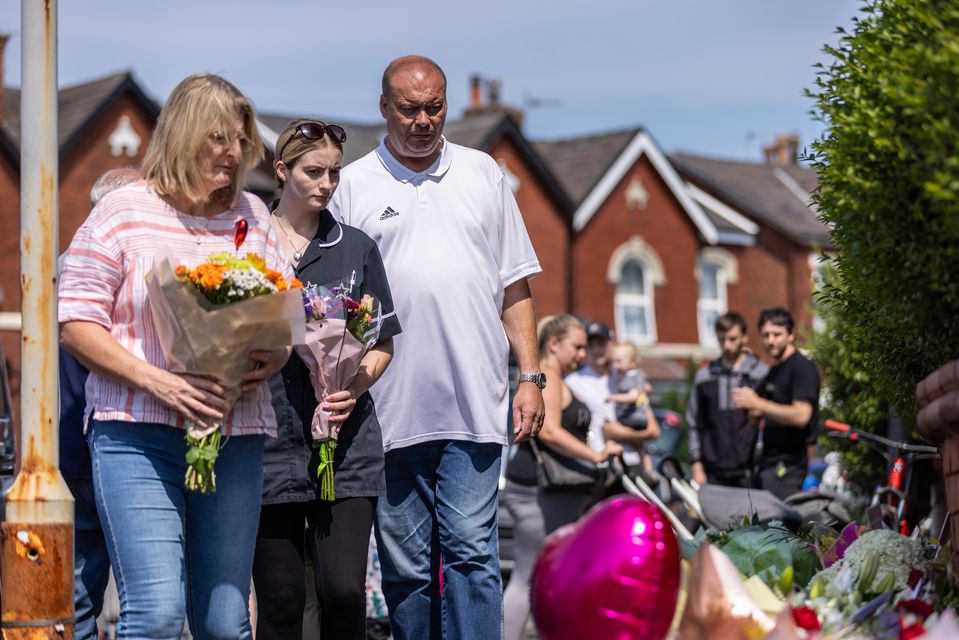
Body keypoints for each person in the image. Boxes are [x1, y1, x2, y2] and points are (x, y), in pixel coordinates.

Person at [58, 74, 287, 639]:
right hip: (136, 434)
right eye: (219, 138)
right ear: (182, 136)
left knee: (223, 622)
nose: (234, 153)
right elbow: (76, 324)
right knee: (157, 613)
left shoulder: (255, 215)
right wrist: (160, 381)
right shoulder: (121, 213)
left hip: (233, 437)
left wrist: (271, 358)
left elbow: (283, 320)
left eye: (240, 139)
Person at [328, 55, 545, 640]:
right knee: (407, 571)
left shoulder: (485, 174)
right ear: (383, 108)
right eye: (409, 109)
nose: (423, 120)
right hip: (386, 411)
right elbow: (330, 300)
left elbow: (515, 284)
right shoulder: (350, 186)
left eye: (435, 107)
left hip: (474, 406)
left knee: (473, 556)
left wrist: (531, 375)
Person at [252, 119, 400, 640]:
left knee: (342, 592)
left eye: (334, 173)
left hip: (347, 442)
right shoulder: (248, 245)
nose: (326, 184)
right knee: (281, 598)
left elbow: (382, 342)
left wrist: (351, 389)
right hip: (267, 442)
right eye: (313, 172)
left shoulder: (355, 247)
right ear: (281, 170)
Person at [501, 315, 622, 640]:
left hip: (550, 495)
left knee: (544, 579)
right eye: (578, 346)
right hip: (538, 492)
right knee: (528, 577)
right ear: (554, 344)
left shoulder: (554, 377)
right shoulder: (548, 377)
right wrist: (595, 455)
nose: (583, 354)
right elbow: (550, 431)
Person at [60, 166, 139, 640]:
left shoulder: (59, 264)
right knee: (142, 595)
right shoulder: (116, 268)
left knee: (77, 599)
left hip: (69, 449)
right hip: (113, 446)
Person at [732, 307, 820, 500]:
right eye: (765, 335)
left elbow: (801, 415)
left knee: (777, 528)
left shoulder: (802, 366)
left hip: (787, 468)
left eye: (776, 334)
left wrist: (759, 403)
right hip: (766, 464)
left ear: (791, 335)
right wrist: (753, 410)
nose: (770, 341)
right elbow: (758, 412)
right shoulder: (774, 371)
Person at [685, 312, 768, 489]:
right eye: (722, 340)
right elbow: (694, 423)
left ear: (744, 338)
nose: (727, 345)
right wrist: (696, 463)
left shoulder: (760, 374)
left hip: (751, 470)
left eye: (732, 339)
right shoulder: (704, 377)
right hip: (713, 471)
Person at [565, 321, 660, 472]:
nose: (596, 350)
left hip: (632, 463)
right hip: (598, 464)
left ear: (611, 345)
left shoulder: (626, 378)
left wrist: (622, 434)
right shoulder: (573, 382)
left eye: (601, 343)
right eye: (591, 345)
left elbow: (654, 430)